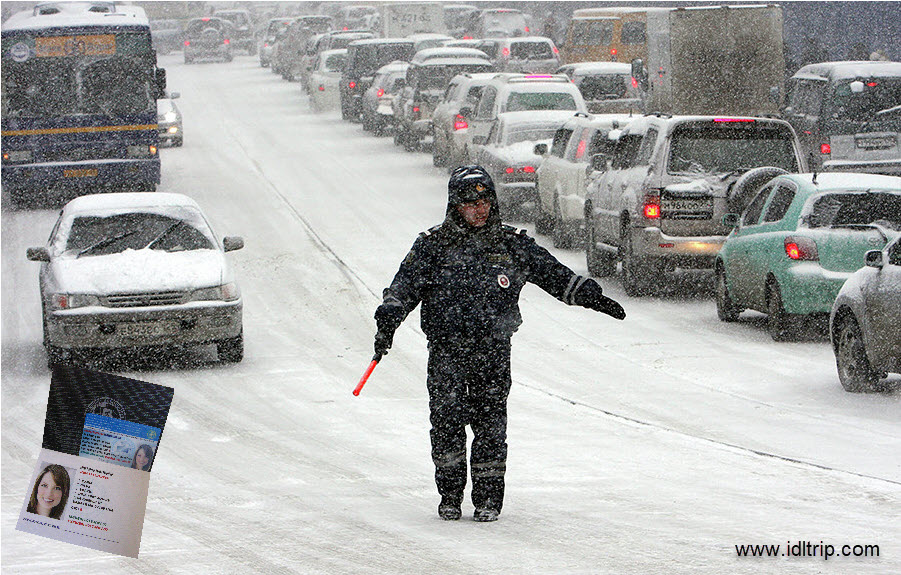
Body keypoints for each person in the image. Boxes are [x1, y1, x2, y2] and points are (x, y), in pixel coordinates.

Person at [373, 165, 626, 522]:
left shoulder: (512, 245)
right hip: (447, 352)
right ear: (454, 206)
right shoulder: (432, 246)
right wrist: (388, 319)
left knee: (491, 426)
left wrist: (588, 295)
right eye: (470, 203)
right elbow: (403, 288)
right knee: (446, 423)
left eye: (485, 201)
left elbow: (553, 274)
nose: (479, 209)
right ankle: (450, 495)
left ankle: (488, 499)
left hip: (492, 353)